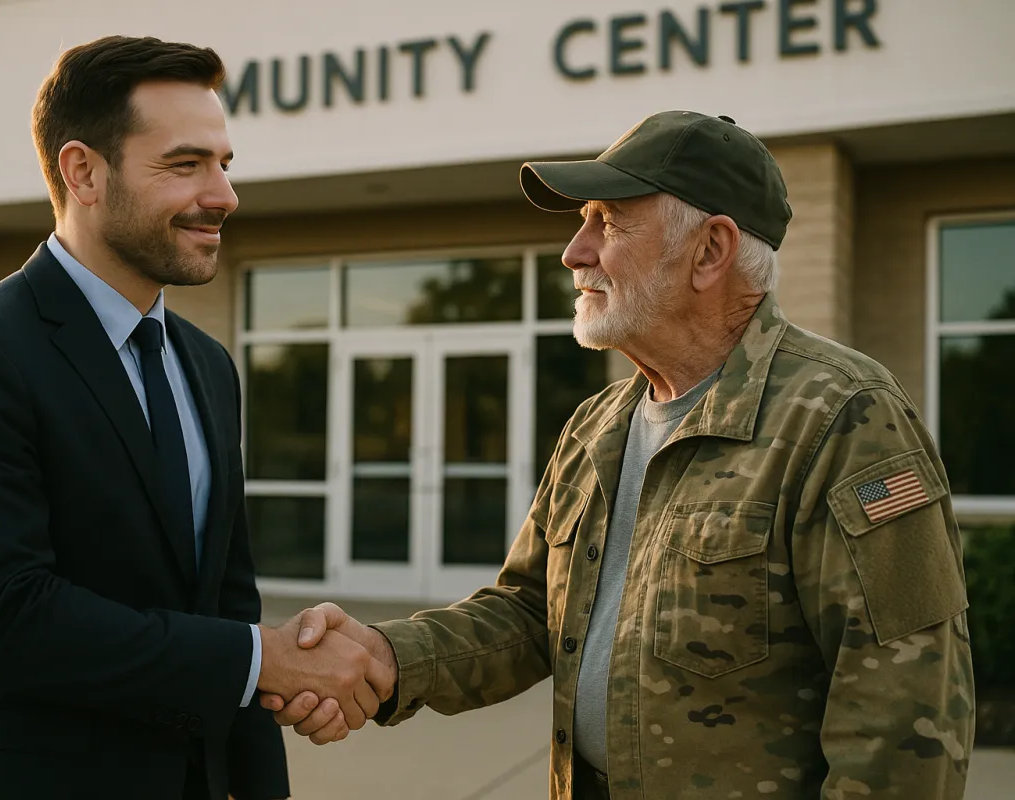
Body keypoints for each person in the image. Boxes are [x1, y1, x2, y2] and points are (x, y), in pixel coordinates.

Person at [265, 111, 975, 799]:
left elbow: (903, 714)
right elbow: (527, 613)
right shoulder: (597, 425)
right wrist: (386, 658)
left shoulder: (842, 417)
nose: (574, 252)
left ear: (710, 251)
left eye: (606, 222)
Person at [0, 35, 388, 800]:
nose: (222, 195)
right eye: (185, 165)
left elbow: (226, 603)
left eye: (224, 164)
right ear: (83, 171)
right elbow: (3, 622)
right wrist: (264, 658)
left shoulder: (208, 365)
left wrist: (264, 743)